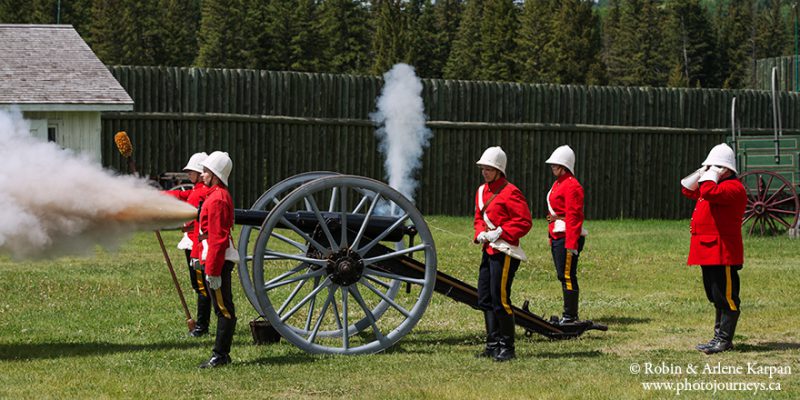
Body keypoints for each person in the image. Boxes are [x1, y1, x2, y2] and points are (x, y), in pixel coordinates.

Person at [680, 143, 746, 354]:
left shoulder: (733, 187)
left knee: (727, 297)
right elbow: (687, 189)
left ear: (725, 168)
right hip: (709, 250)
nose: (710, 170)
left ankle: (725, 339)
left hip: (722, 251)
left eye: (714, 166)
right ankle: (718, 337)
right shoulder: (715, 183)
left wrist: (711, 174)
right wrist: (704, 171)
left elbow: (707, 191)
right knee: (715, 295)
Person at [473, 146, 532, 362]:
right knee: (485, 297)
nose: (484, 172)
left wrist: (501, 232)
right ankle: (492, 344)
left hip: (504, 251)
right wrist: (480, 233)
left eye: (489, 169)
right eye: (483, 168)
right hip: (488, 249)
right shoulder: (481, 191)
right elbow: (479, 218)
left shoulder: (511, 192)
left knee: (501, 299)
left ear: (499, 170)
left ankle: (507, 347)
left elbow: (524, 221)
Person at [197, 151, 239, 368]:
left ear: (215, 175)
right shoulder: (215, 195)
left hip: (218, 259)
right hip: (214, 257)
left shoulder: (218, 199)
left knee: (223, 309)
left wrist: (213, 270)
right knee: (221, 307)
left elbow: (218, 238)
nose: (202, 174)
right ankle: (221, 354)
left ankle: (221, 355)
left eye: (205, 171)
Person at [165, 152, 211, 337]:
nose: (188, 174)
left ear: (200, 173)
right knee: (200, 287)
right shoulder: (197, 190)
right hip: (193, 243)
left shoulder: (201, 192)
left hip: (197, 245)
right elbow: (183, 195)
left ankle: (201, 327)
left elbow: (188, 201)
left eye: (191, 171)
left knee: (201, 288)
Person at [545, 145, 586, 325]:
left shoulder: (572, 185)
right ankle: (568, 314)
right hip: (558, 234)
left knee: (568, 275)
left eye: (557, 165)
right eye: (553, 165)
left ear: (566, 166)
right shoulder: (559, 182)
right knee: (563, 275)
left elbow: (574, 217)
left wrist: (571, 244)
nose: (553, 167)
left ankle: (570, 316)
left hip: (568, 236)